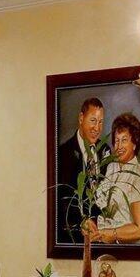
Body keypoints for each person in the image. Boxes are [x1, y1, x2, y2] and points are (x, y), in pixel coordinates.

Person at [84, 112, 140, 246]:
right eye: (116, 141)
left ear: (135, 144)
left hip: (131, 252)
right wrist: (90, 224)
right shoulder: (110, 168)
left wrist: (107, 233)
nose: (119, 146)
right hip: (105, 246)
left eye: (124, 140)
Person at [55, 96, 105, 245]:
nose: (97, 128)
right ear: (81, 118)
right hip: (73, 241)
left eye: (101, 122)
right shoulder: (63, 153)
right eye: (93, 120)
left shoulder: (105, 150)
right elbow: (61, 199)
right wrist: (82, 220)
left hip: (101, 239)